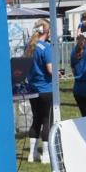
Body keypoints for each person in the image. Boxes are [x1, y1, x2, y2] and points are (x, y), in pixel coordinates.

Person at [25, 20, 54, 163]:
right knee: (47, 120)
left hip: (32, 88)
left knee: (36, 119)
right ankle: (46, 155)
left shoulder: (29, 46)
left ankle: (32, 153)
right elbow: (50, 69)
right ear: (47, 32)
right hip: (45, 89)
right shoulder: (46, 48)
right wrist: (58, 73)